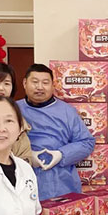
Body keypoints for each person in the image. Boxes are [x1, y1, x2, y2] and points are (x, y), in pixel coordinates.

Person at [16, 64, 95, 200]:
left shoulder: (67, 111)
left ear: (53, 85)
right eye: (35, 82)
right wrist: (27, 156)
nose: (40, 87)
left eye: (45, 82)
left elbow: (86, 142)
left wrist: (60, 155)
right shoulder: (13, 109)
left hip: (61, 182)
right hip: (22, 179)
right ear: (24, 83)